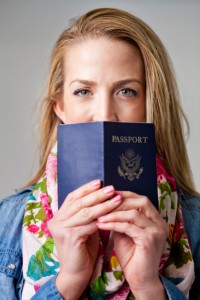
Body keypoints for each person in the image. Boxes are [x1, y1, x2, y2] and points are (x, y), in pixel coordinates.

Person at [0, 7, 199, 300]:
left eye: (127, 91)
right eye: (83, 91)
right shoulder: (7, 222)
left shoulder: (194, 225)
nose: (104, 115)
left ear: (151, 105)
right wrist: (68, 281)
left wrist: (148, 287)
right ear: (61, 108)